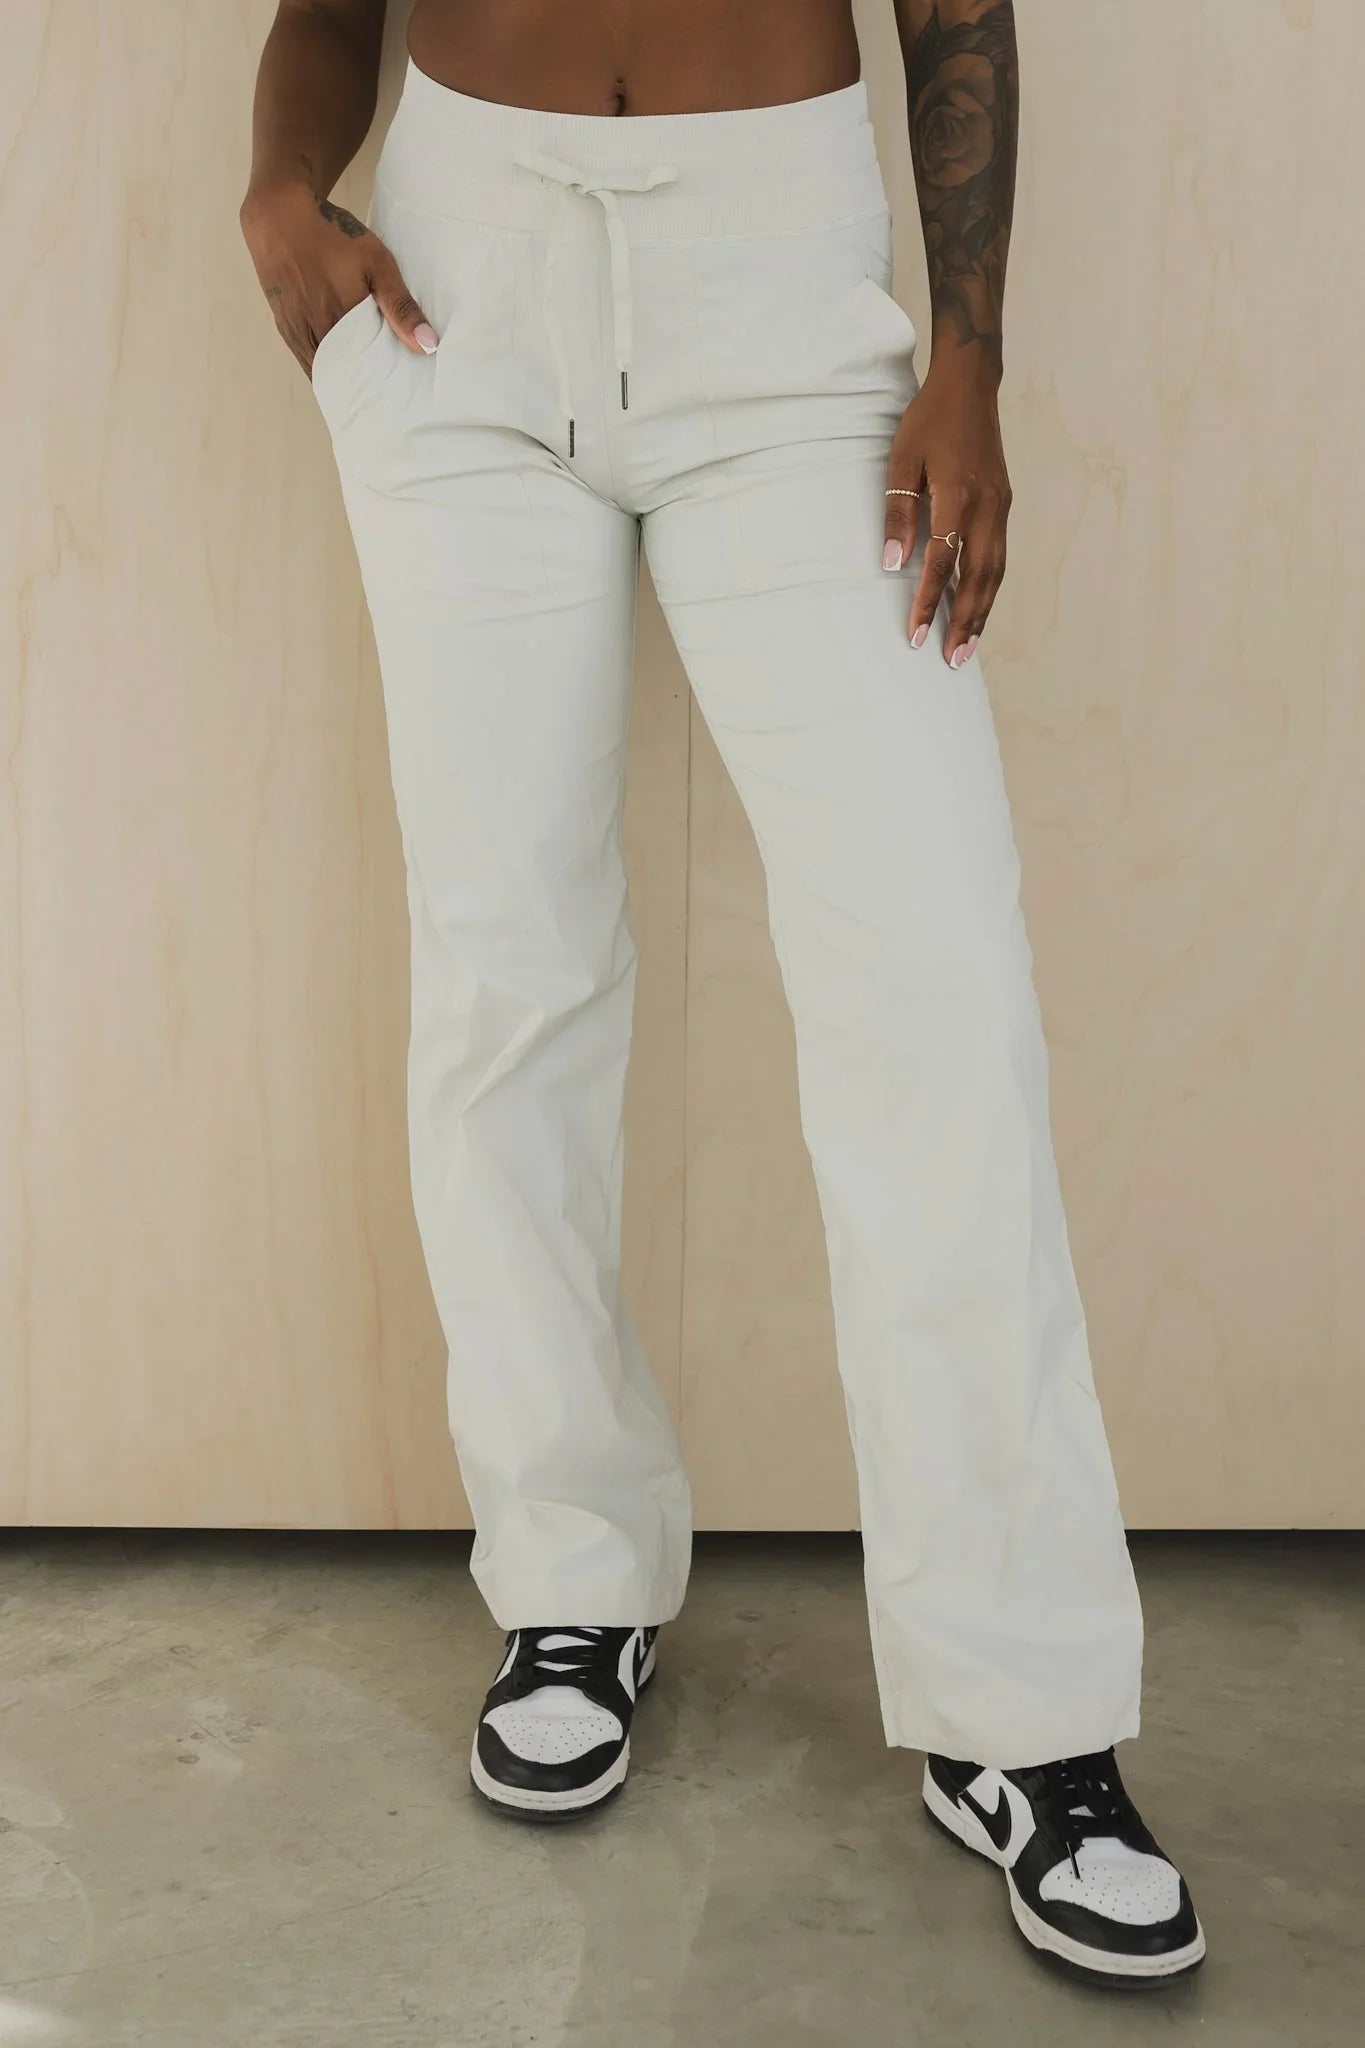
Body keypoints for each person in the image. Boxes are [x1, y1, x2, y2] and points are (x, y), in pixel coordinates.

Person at [241, 0, 1204, 1986]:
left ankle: (1017, 1713)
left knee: (932, 988)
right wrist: (275, 193)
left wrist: (969, 358)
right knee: (508, 972)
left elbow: (949, 6)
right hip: (458, 283)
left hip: (778, 298)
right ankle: (572, 1578)